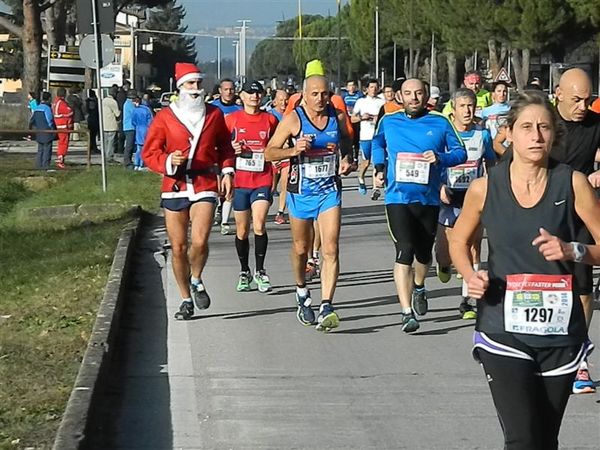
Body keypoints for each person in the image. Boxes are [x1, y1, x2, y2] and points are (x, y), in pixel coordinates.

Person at [449, 90, 600, 450]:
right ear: (510, 133)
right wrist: (471, 276)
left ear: (554, 134)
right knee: (522, 439)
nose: (536, 136)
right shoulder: (485, 188)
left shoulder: (572, 182)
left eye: (545, 128)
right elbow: (458, 241)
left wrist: (571, 249)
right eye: (527, 127)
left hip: (561, 334)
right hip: (503, 331)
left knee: (545, 439)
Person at [372, 78, 467, 333]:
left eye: (419, 93)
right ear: (400, 97)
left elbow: (461, 153)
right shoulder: (389, 120)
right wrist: (379, 167)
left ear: (426, 96)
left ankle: (420, 286)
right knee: (404, 250)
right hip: (397, 198)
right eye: (408, 93)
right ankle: (406, 313)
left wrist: (441, 158)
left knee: (423, 253)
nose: (413, 98)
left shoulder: (440, 122)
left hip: (429, 199)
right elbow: (377, 143)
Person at [142, 62, 235, 320]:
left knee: (200, 240)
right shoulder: (165, 117)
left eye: (198, 84)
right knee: (178, 246)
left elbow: (226, 148)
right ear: (180, 87)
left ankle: (196, 278)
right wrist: (168, 161)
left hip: (205, 183)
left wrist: (227, 172)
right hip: (175, 187)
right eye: (190, 84)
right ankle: (185, 298)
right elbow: (149, 153)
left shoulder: (214, 115)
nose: (195, 89)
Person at [265, 74, 354, 332]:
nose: (319, 99)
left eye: (324, 93)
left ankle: (327, 305)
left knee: (330, 249)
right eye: (314, 94)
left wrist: (346, 160)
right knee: (301, 248)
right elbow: (270, 151)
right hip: (301, 192)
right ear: (304, 95)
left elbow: (347, 143)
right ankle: (302, 290)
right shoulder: (294, 119)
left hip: (329, 191)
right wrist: (293, 150)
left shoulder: (337, 118)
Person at [551, 67, 600, 394]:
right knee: (546, 281)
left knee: (582, 286)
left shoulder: (596, 124)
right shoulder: (541, 121)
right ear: (558, 94)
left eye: (588, 99)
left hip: (581, 212)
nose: (583, 105)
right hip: (541, 210)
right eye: (576, 99)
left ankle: (579, 357)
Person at [434, 88, 495, 319]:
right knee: (444, 252)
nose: (468, 111)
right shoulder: (445, 134)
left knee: (473, 247)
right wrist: (439, 187)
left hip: (474, 197)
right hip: (448, 196)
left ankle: (467, 300)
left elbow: (491, 163)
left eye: (471, 106)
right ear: (453, 109)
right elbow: (435, 163)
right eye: (463, 106)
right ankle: (443, 263)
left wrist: (492, 186)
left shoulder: (483, 135)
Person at [226, 80, 279, 292]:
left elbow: (278, 145)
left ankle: (260, 270)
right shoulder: (231, 120)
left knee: (258, 224)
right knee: (242, 230)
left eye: (258, 94)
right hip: (240, 182)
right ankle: (244, 270)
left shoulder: (270, 120)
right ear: (242, 96)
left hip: (262, 180)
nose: (255, 97)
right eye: (250, 93)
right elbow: (220, 147)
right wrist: (232, 149)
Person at [352, 79, 385, 198]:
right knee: (366, 163)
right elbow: (352, 119)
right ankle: (361, 178)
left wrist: (378, 118)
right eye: (371, 87)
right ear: (366, 89)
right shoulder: (361, 102)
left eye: (376, 87)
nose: (374, 89)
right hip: (365, 136)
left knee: (377, 162)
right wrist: (362, 117)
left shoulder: (382, 102)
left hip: (378, 136)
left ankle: (375, 188)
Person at [269, 89, 291, 225]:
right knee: (270, 188)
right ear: (274, 101)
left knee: (285, 184)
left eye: (286, 99)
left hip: (287, 155)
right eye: (280, 100)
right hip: (272, 156)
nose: (284, 102)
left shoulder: (292, 115)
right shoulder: (270, 116)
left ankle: (280, 212)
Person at [29, 91, 55, 169]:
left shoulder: (37, 108)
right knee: (47, 150)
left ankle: (38, 165)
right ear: (49, 98)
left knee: (40, 150)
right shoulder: (47, 108)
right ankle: (45, 166)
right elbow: (49, 120)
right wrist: (52, 129)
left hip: (38, 131)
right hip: (47, 131)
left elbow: (32, 120)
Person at [52, 87, 73, 169]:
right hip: (63, 125)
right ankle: (60, 159)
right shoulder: (61, 103)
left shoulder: (56, 102)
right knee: (63, 143)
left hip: (60, 125)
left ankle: (60, 158)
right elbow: (69, 111)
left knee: (62, 142)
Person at [131, 94, 153, 170]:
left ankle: (136, 164)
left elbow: (133, 121)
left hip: (138, 129)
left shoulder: (135, 110)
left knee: (138, 148)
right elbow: (151, 121)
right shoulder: (147, 110)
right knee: (144, 148)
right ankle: (142, 164)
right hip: (146, 129)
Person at [102, 86, 120, 162]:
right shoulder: (113, 102)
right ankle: (110, 156)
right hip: (111, 124)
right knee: (111, 141)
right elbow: (117, 114)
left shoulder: (103, 100)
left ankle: (105, 155)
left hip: (104, 123)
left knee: (105, 141)